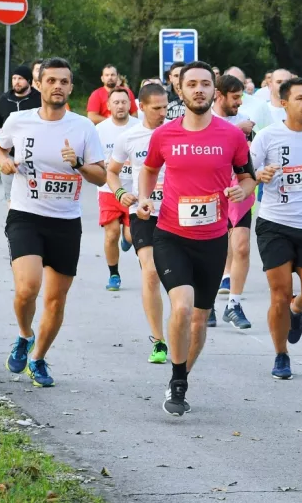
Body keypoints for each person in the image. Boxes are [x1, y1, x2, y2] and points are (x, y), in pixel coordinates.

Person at [137, 62, 253, 416]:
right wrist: (144, 198)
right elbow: (149, 170)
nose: (199, 89)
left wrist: (241, 191)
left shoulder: (231, 135)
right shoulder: (165, 135)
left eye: (205, 84)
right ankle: (176, 379)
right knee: (182, 307)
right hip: (171, 234)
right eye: (192, 84)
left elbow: (247, 177)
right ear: (181, 91)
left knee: (200, 319)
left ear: (214, 91)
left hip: (214, 239)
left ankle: (183, 374)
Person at [0, 58, 107, 388]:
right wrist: (3, 161)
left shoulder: (83, 127)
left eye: (64, 81)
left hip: (65, 222)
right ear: (38, 84)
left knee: (56, 301)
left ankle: (39, 358)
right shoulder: (19, 120)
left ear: (71, 88)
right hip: (26, 215)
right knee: (28, 287)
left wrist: (80, 164)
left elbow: (100, 177)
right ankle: (24, 335)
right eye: (51, 80)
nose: (58, 85)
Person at [251, 77, 302, 380]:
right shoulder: (267, 136)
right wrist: (260, 174)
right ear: (284, 103)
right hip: (275, 224)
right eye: (299, 98)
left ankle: (297, 310)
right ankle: (281, 354)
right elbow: (246, 171)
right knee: (279, 294)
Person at [106, 83, 171, 364]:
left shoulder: (177, 132)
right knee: (152, 272)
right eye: (156, 108)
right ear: (141, 107)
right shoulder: (129, 137)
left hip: (178, 213)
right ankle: (158, 341)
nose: (162, 113)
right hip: (142, 213)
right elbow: (112, 172)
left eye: (166, 107)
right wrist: (121, 193)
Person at [211, 73, 256, 330]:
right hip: (209, 192)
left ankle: (234, 305)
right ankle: (206, 304)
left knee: (241, 247)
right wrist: (236, 130)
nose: (239, 102)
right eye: (235, 97)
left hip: (239, 191)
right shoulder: (206, 120)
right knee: (214, 251)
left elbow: (254, 156)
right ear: (220, 96)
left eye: (241, 97)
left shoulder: (246, 123)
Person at [95, 89, 139, 291]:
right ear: (109, 105)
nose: (120, 106)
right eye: (116, 102)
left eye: (124, 102)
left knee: (132, 236)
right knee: (111, 233)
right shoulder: (100, 130)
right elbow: (91, 157)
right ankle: (114, 274)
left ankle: (127, 238)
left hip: (135, 191)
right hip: (108, 190)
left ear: (130, 104)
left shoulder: (139, 127)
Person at [0, 68, 43, 199]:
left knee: (35, 196)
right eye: (14, 78)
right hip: (10, 155)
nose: (16, 82)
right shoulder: (4, 99)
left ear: (29, 81)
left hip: (34, 156)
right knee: (10, 196)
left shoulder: (39, 99)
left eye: (20, 79)